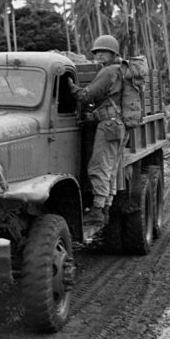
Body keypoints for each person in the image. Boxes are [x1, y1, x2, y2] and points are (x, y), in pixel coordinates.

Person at [70, 34, 126, 226]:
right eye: (98, 52)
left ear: (113, 54)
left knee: (98, 167)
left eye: (104, 52)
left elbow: (87, 95)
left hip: (108, 125)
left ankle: (97, 209)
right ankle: (106, 207)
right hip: (117, 125)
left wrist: (70, 87)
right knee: (110, 168)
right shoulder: (119, 70)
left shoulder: (109, 72)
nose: (99, 55)